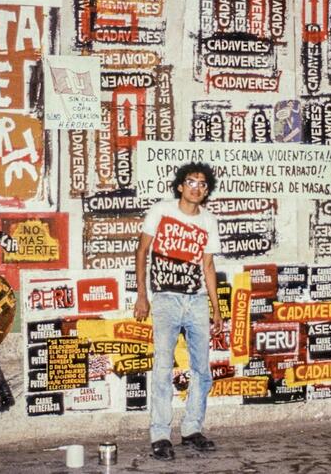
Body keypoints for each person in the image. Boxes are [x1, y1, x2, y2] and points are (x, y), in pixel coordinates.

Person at [134, 162, 222, 461]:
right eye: (191, 181)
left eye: (202, 184)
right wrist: (142, 296)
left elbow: (208, 266)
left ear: (206, 190)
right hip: (166, 299)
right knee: (162, 369)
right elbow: (142, 252)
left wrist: (217, 309)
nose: (197, 187)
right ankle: (160, 435)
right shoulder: (161, 211)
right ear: (180, 186)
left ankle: (191, 429)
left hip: (196, 301)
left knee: (201, 370)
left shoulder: (209, 221)